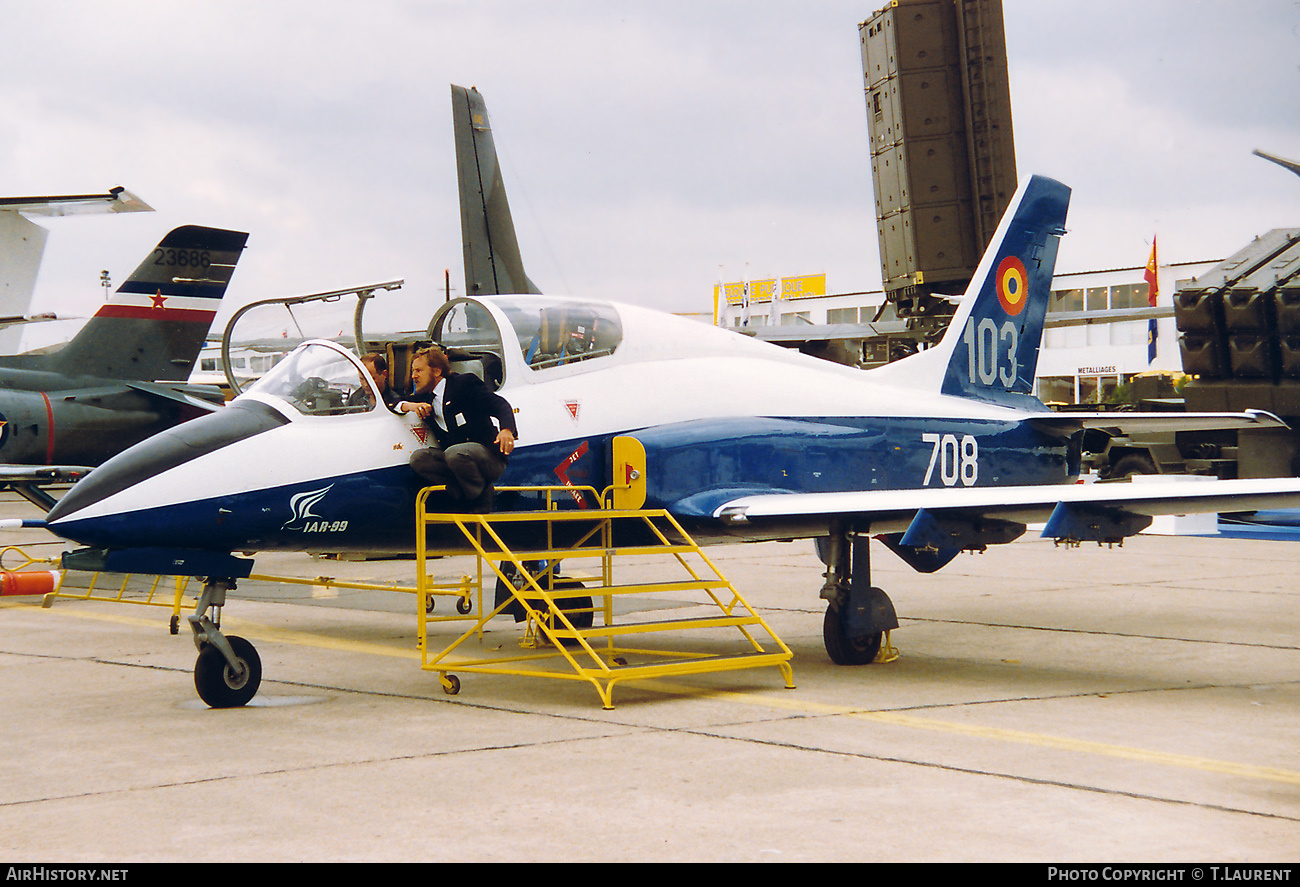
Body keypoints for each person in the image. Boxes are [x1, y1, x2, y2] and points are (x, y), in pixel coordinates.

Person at [397, 346, 517, 513]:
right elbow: (393, 401)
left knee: (455, 453)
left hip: (488, 458)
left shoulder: (464, 384)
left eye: (419, 370)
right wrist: (410, 405)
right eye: (413, 371)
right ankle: (464, 492)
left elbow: (500, 405)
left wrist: (507, 430)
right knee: (419, 459)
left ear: (437, 371)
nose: (413, 376)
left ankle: (480, 495)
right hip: (456, 459)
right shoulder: (426, 397)